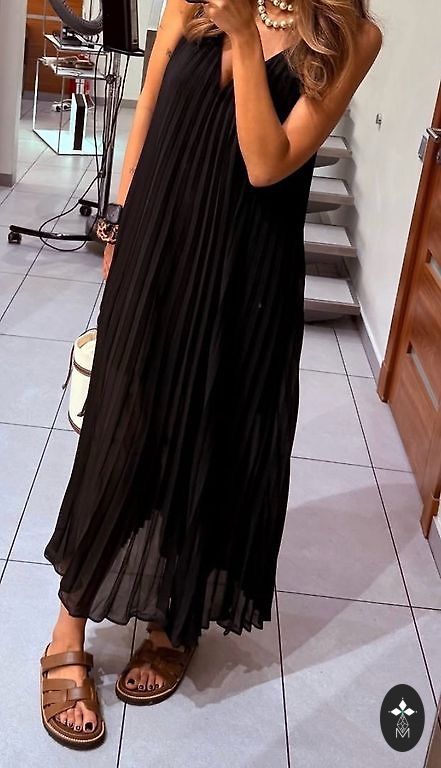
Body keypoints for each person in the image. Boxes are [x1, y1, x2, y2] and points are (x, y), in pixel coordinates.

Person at [39, 0, 382, 750]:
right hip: (160, 243)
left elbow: (267, 163)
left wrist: (241, 37)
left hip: (246, 271)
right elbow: (152, 100)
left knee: (212, 431)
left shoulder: (350, 36)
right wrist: (121, 216)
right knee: (123, 426)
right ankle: (69, 623)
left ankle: (174, 615)